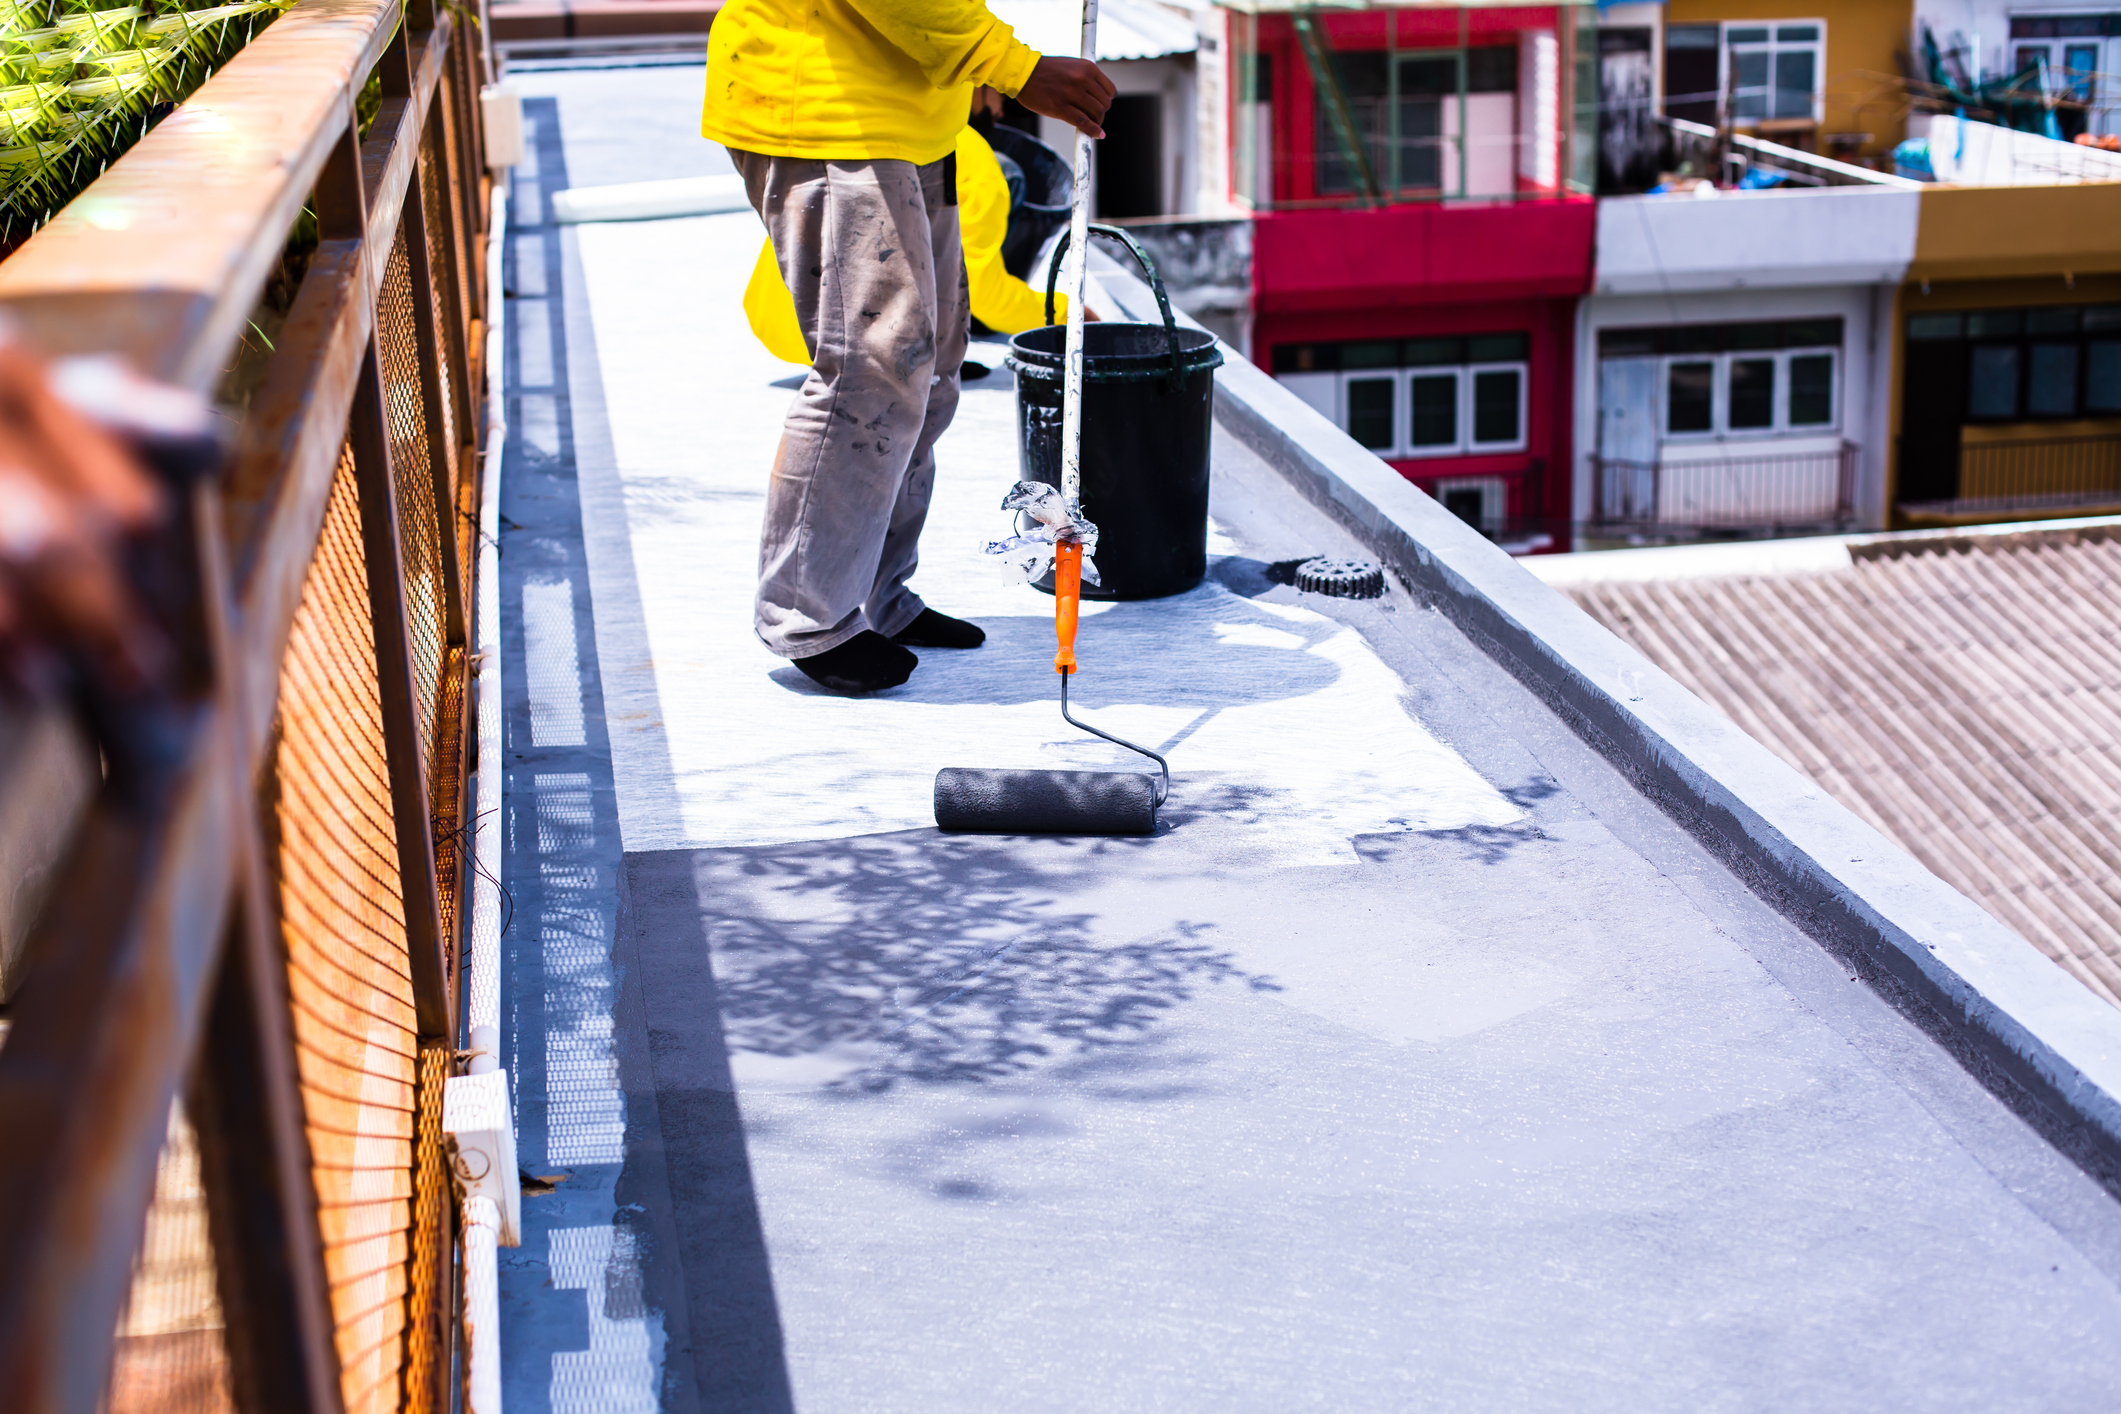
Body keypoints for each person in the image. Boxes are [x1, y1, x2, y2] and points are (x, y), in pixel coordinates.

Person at [702, 0, 1114, 693]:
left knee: (929, 369)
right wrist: (1015, 66)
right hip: (833, 116)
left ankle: (876, 598)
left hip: (915, 116)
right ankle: (811, 618)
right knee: (867, 374)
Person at [741, 87, 1095, 368]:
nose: (1000, 109)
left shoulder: (868, 116)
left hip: (778, 324)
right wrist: (1069, 315)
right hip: (850, 346)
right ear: (971, 83)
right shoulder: (973, 158)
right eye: (998, 92)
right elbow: (985, 295)